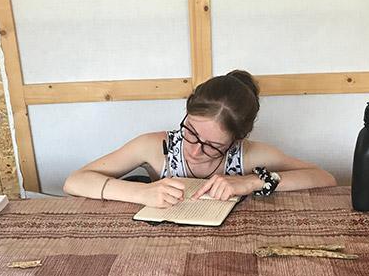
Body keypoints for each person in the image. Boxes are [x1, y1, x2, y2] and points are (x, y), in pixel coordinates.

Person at [63, 70, 337, 207]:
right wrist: (140, 192)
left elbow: (324, 177)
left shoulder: (248, 155)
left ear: (235, 140)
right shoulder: (153, 147)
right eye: (191, 133)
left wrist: (251, 182)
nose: (194, 151)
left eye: (212, 147)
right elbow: (74, 181)